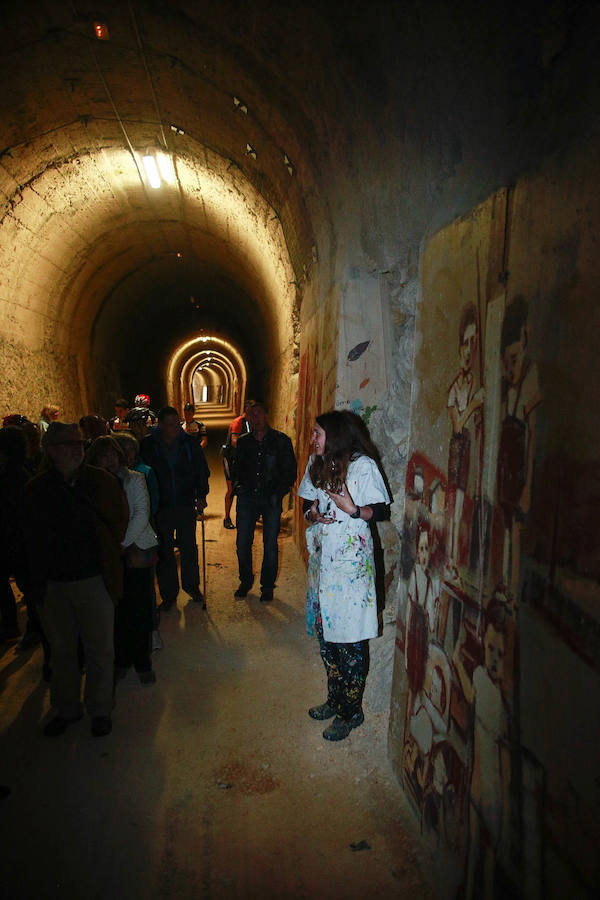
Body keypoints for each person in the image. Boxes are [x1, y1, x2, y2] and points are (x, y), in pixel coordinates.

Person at [24, 423, 128, 738]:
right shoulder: (36, 490)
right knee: (61, 650)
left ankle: (99, 708)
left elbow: (119, 520)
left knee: (100, 649)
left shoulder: (101, 482)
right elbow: (26, 535)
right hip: (53, 584)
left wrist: (105, 555)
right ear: (51, 451)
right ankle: (67, 707)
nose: (76, 449)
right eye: (68, 444)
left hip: (94, 579)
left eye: (79, 443)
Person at [298, 410, 391, 741]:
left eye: (317, 432)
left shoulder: (363, 467)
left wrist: (353, 509)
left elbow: (381, 510)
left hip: (352, 572)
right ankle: (335, 700)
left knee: (350, 645)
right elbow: (310, 506)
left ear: (334, 435)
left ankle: (351, 713)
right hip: (326, 567)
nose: (313, 438)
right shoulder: (321, 465)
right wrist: (313, 513)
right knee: (328, 642)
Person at [87, 436, 158, 684]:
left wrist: (120, 544)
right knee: (114, 611)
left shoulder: (135, 479)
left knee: (138, 608)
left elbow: (142, 513)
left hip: (134, 551)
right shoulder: (90, 484)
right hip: (106, 556)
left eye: (112, 455)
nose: (108, 461)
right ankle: (120, 659)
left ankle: (142, 662)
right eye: (102, 457)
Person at [139, 406, 210, 610]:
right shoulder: (149, 446)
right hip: (161, 507)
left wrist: (201, 495)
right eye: (168, 424)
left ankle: (192, 586)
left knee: (189, 547)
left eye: (175, 423)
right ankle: (169, 595)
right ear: (160, 425)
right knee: (165, 551)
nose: (173, 428)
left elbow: (201, 471)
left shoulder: (189, 444)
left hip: (185, 504)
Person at [232, 400, 297, 602]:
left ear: (267, 415)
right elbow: (236, 469)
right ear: (248, 417)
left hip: (271, 498)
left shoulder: (281, 441)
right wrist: (239, 488)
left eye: (259, 413)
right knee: (243, 542)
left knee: (270, 543)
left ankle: (267, 586)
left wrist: (278, 493)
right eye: (252, 414)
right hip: (247, 498)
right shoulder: (243, 442)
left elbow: (290, 471)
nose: (256, 418)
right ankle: (245, 579)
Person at [114, 431, 162, 651]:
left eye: (130, 449)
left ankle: (151, 633)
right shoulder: (107, 477)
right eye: (121, 450)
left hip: (139, 543)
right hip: (118, 545)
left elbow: (146, 511)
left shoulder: (143, 474)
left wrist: (122, 542)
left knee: (145, 593)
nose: (127, 453)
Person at [222, 402, 251, 529]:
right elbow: (234, 442)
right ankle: (226, 517)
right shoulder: (238, 422)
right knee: (231, 489)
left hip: (242, 459)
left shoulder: (253, 422)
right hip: (230, 458)